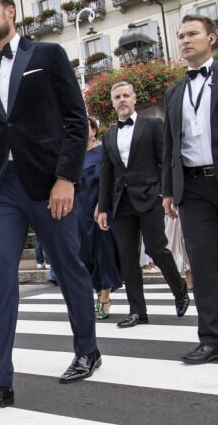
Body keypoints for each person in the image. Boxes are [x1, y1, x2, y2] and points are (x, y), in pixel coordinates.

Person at [0, 0, 99, 414]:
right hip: (1, 190)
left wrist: (66, 178)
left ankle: (87, 349)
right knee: (0, 279)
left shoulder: (48, 56)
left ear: (10, 12)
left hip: (48, 183)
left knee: (68, 265)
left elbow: (75, 120)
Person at [97, 81, 189, 329]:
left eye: (126, 95)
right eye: (117, 97)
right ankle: (138, 311)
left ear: (135, 99)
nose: (122, 100)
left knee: (158, 249)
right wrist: (103, 208)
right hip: (122, 204)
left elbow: (165, 161)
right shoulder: (109, 135)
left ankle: (179, 289)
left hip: (149, 198)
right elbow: (107, 175)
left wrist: (165, 193)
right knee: (128, 258)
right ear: (113, 102)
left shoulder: (152, 125)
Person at [162, 13, 218, 364]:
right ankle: (212, 339)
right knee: (202, 264)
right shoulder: (174, 92)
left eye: (192, 34)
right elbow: (171, 144)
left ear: (211, 38)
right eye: (181, 35)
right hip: (193, 188)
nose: (185, 40)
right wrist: (169, 191)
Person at [77, 117, 121, 320]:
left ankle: (105, 298)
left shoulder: (103, 151)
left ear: (93, 130)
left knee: (104, 253)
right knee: (85, 255)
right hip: (79, 211)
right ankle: (96, 293)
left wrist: (101, 205)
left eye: (85, 127)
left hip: (100, 209)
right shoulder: (74, 156)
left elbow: (110, 180)